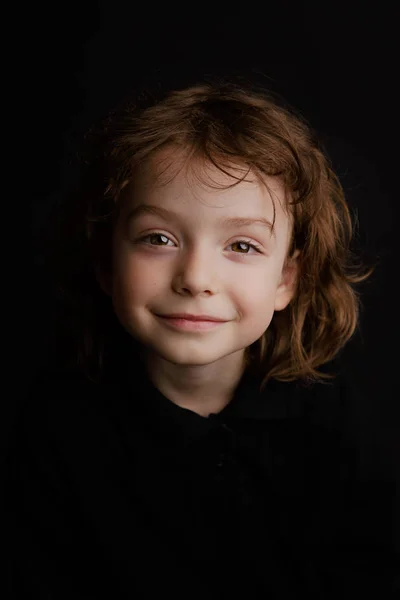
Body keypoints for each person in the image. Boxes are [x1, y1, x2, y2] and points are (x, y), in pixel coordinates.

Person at [7, 77, 398, 598]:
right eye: (158, 238)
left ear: (286, 280)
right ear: (106, 263)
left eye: (241, 245)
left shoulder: (333, 420)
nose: (195, 277)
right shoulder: (59, 429)